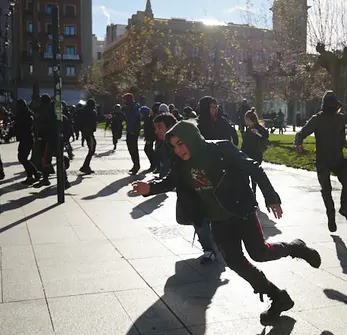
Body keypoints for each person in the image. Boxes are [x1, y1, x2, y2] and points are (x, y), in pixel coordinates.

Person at [131, 121, 322, 324]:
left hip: (240, 211)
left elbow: (254, 168)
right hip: (217, 220)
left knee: (259, 253)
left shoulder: (221, 149)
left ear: (192, 139)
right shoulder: (180, 164)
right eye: (175, 146)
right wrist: (150, 188)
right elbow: (170, 181)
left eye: (181, 143)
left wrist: (271, 196)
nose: (178, 150)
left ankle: (296, 248)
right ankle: (277, 297)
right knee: (235, 262)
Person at [153, 113, 217, 265]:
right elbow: (171, 174)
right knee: (198, 219)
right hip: (188, 191)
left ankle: (211, 249)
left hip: (202, 188)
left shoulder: (188, 143)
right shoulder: (166, 145)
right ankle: (210, 247)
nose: (157, 131)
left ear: (171, 128)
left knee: (202, 220)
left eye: (160, 127)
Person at [294, 91, 347, 233]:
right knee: (326, 190)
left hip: (338, 159)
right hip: (323, 160)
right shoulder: (317, 119)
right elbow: (301, 133)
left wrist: (342, 143)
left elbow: (342, 136)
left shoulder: (341, 118)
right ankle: (331, 216)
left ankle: (345, 209)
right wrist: (298, 142)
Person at [242, 108, 270, 195]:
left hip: (256, 154)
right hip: (248, 154)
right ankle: (249, 192)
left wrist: (257, 133)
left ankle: (253, 192)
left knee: (254, 175)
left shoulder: (258, 128)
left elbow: (265, 136)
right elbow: (245, 143)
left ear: (249, 119)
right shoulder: (248, 128)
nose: (245, 121)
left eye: (245, 119)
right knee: (247, 174)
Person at [12, 98, 39, 184]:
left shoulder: (21, 115)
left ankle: (31, 176)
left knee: (22, 158)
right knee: (23, 158)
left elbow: (17, 127)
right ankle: (35, 173)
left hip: (26, 138)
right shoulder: (29, 114)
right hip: (28, 138)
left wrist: (9, 136)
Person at [33, 94, 56, 186]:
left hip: (45, 137)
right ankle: (47, 174)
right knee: (47, 157)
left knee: (45, 157)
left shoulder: (43, 110)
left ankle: (46, 178)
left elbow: (38, 123)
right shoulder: (52, 109)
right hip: (51, 136)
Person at [122, 93, 144, 175]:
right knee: (131, 149)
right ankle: (135, 165)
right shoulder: (129, 107)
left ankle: (136, 166)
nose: (123, 101)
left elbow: (134, 119)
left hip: (133, 131)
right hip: (130, 130)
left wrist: (132, 130)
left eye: (124, 99)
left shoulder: (134, 108)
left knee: (133, 148)